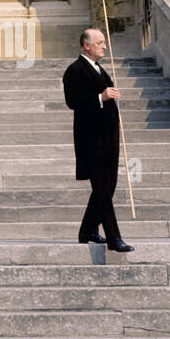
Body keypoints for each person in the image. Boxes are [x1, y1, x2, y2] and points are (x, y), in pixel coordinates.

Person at [63, 28, 133, 252]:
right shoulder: (74, 70)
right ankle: (114, 238)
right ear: (87, 46)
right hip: (91, 141)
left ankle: (87, 230)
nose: (105, 46)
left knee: (108, 186)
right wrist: (100, 97)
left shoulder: (100, 69)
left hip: (108, 139)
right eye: (100, 42)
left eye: (104, 42)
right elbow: (72, 101)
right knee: (102, 189)